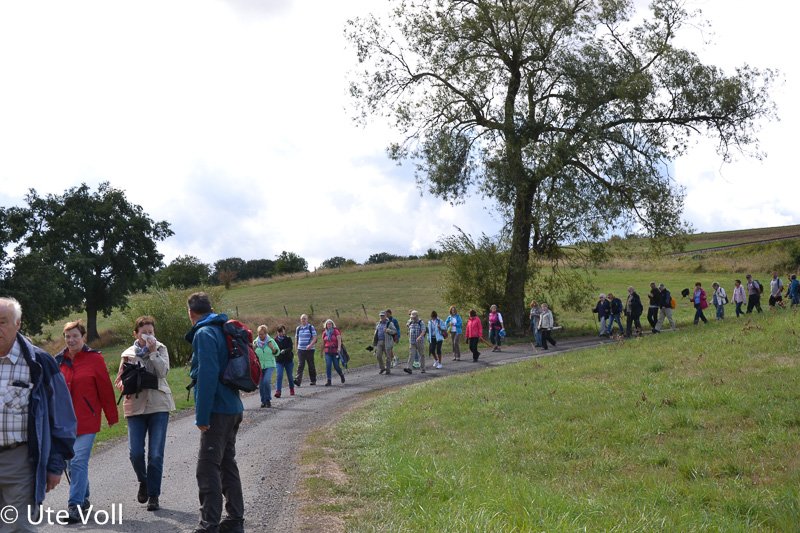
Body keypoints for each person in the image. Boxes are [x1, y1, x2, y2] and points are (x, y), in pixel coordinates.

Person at [0, 297, 76, 531]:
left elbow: (62, 417)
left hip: (19, 461)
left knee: (18, 527)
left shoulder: (39, 363)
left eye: (2, 322)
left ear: (18, 324)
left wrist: (55, 464)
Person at [186, 292, 245, 533]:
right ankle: (234, 520)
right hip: (233, 407)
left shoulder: (204, 333)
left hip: (218, 410)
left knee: (207, 468)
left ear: (191, 312)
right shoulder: (222, 328)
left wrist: (202, 415)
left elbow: (207, 375)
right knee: (227, 464)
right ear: (210, 309)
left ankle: (209, 524)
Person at [55, 319, 118, 523]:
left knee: (78, 460)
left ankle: (74, 506)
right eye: (68, 336)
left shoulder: (94, 359)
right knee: (71, 464)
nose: (71, 340)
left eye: (75, 336)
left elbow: (105, 389)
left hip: (87, 420)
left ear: (83, 337)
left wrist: (111, 415)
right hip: (64, 423)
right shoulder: (58, 361)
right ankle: (84, 498)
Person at [114, 315, 175, 512]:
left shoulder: (161, 348)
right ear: (136, 334)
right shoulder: (128, 354)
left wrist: (153, 352)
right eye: (144, 332)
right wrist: (124, 383)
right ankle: (144, 481)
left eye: (151, 332)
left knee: (155, 454)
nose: (148, 335)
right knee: (135, 453)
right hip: (135, 406)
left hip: (158, 405)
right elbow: (119, 380)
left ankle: (154, 495)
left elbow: (163, 373)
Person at [253, 325, 279, 408]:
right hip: (259, 366)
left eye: (262, 334)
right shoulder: (255, 342)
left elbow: (277, 353)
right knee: (261, 384)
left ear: (266, 333)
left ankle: (268, 400)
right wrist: (253, 349)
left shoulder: (271, 341)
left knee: (266, 381)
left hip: (270, 365)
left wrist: (272, 348)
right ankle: (263, 401)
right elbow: (252, 356)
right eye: (259, 334)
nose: (261, 336)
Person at [293, 314, 317, 387]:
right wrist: (296, 348)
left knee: (311, 365)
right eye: (302, 319)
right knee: (300, 365)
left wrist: (310, 345)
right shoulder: (298, 328)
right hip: (301, 349)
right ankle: (298, 380)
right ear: (300, 320)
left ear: (307, 319)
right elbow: (296, 339)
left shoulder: (311, 327)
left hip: (310, 350)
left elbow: (315, 338)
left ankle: (313, 380)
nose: (303, 320)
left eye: (304, 318)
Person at [321, 319, 345, 386]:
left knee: (336, 366)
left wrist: (339, 348)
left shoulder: (335, 331)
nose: (329, 325)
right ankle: (329, 380)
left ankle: (341, 375)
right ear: (326, 325)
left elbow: (339, 340)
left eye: (330, 324)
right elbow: (323, 342)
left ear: (332, 325)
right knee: (328, 365)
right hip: (327, 351)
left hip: (335, 351)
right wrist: (321, 351)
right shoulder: (324, 333)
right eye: (328, 324)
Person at [273, 325, 295, 398]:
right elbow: (273, 349)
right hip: (279, 361)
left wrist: (285, 350)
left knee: (290, 376)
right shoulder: (274, 340)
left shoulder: (288, 339)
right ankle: (278, 391)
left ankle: (291, 388)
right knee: (279, 375)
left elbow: (290, 348)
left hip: (288, 360)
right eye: (279, 332)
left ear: (284, 331)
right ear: (277, 332)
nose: (280, 333)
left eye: (282, 331)